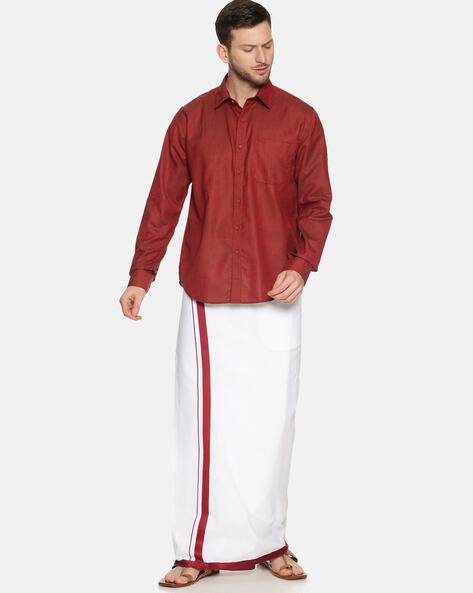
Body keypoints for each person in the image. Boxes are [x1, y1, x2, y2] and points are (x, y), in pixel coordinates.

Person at [119, 0, 333, 587]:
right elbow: (163, 201)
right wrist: (141, 275)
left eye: (269, 44)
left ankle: (272, 542)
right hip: (209, 294)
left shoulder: (301, 120)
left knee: (273, 426)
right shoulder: (190, 120)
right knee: (203, 428)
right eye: (249, 48)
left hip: (276, 294)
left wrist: (302, 265)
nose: (263, 57)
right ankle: (195, 549)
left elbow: (317, 204)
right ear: (223, 52)